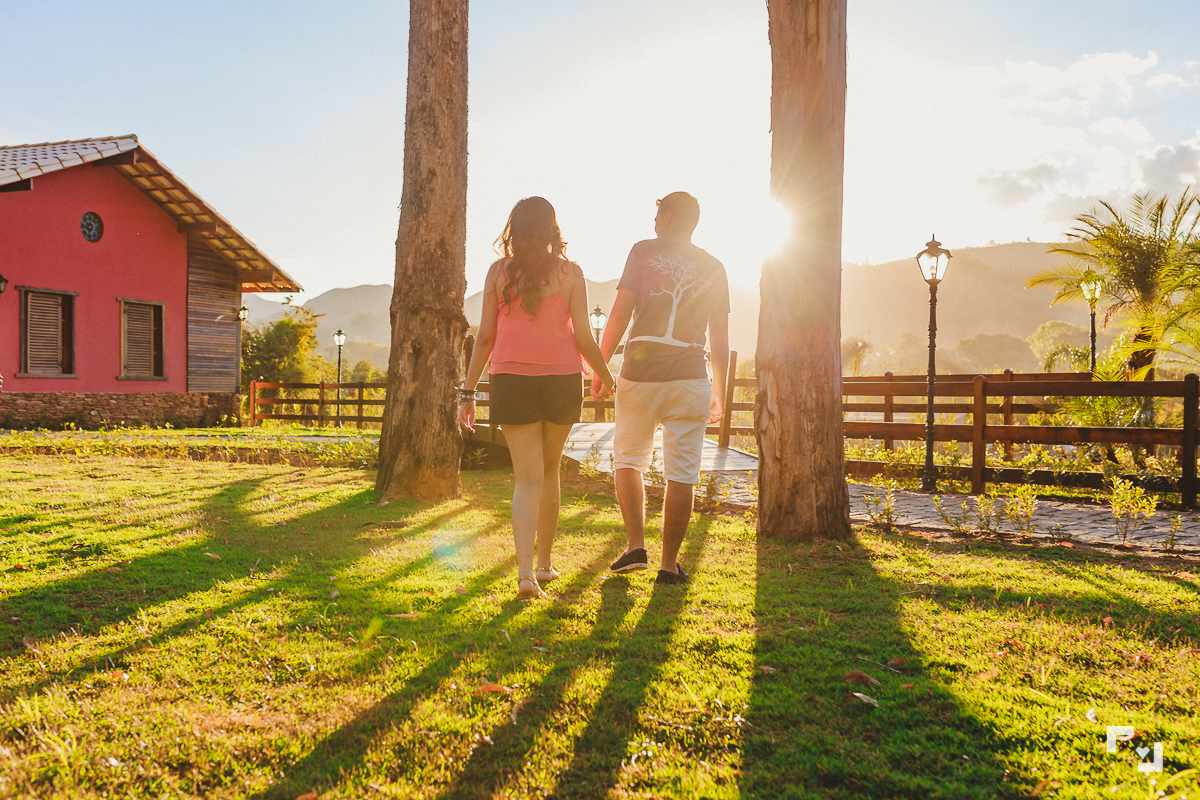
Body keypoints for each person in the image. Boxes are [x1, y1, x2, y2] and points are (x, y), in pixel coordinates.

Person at [460, 197, 615, 600]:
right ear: (551, 229)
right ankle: (544, 565)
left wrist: (468, 390)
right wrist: (605, 374)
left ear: (515, 228)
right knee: (550, 474)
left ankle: (526, 575)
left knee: (526, 480)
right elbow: (583, 336)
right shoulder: (571, 273)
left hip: (511, 380)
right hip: (562, 380)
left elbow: (486, 338)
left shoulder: (498, 273)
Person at [591, 192, 730, 585]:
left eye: (657, 214)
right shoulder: (714, 267)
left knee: (628, 459)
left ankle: (636, 545)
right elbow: (719, 339)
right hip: (691, 377)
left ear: (668, 216)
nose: (653, 222)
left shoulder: (643, 252)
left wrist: (600, 367)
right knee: (682, 472)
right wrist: (719, 389)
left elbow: (619, 314)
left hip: (641, 374)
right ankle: (669, 565)